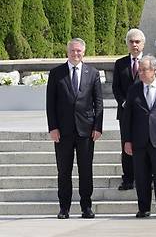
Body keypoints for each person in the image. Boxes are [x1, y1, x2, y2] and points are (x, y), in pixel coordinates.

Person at [46, 38, 103, 219]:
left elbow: (98, 103)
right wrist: (53, 127)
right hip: (63, 131)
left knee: (86, 170)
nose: (75, 54)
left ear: (83, 52)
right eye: (72, 51)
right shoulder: (56, 73)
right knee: (64, 171)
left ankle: (86, 206)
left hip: (86, 130)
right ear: (67, 52)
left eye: (79, 51)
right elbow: (50, 104)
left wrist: (97, 127)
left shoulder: (92, 73)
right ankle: (64, 208)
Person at [122, 56, 156, 218]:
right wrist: (127, 140)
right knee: (141, 176)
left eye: (144, 69)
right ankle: (144, 207)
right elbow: (127, 118)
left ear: (154, 70)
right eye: (139, 70)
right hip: (139, 140)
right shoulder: (134, 89)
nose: (140, 73)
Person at [112, 28, 146, 191]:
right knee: (127, 145)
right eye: (131, 41)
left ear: (143, 44)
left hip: (145, 114)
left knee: (146, 146)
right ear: (127, 44)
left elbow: (154, 87)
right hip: (125, 113)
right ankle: (128, 179)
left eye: (137, 41)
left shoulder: (150, 62)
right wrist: (123, 102)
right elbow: (116, 88)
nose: (134, 45)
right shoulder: (120, 64)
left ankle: (147, 177)